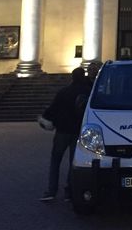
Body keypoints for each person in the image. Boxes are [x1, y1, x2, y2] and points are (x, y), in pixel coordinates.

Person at [40, 67, 91, 202]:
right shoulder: (87, 92)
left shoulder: (63, 92)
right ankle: (68, 191)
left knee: (55, 161)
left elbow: (53, 108)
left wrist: (44, 118)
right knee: (73, 163)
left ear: (72, 77)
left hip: (62, 131)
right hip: (77, 131)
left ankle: (51, 191)